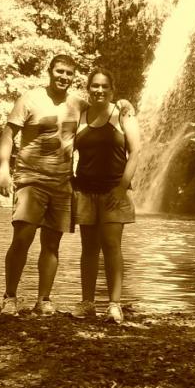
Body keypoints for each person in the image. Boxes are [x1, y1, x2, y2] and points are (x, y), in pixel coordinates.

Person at [0, 55, 82, 316]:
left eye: (68, 73)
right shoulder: (30, 99)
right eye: (59, 71)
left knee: (52, 244)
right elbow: (8, 134)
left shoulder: (78, 104)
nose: (63, 77)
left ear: (73, 76)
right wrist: (3, 169)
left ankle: (43, 300)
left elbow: (105, 111)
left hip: (62, 182)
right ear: (50, 71)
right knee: (22, 239)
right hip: (31, 179)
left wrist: (123, 105)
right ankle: (10, 297)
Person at [72, 68, 140, 324]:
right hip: (85, 190)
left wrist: (122, 187)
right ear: (88, 88)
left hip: (114, 190)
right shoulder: (80, 114)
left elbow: (135, 152)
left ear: (112, 90)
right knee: (88, 248)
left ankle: (114, 305)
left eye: (104, 86)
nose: (99, 90)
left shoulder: (122, 113)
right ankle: (87, 303)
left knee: (112, 246)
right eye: (95, 85)